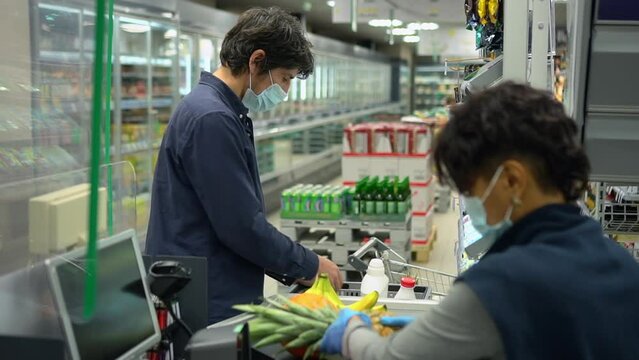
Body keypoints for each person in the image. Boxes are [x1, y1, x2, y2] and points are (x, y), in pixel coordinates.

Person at [320, 82, 639, 359]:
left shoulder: (499, 284)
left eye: (470, 188)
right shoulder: (620, 264)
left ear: (512, 180)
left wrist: (350, 331)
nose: (468, 202)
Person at [146, 7, 342, 324]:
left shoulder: (221, 110)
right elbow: (241, 226)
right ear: (256, 61)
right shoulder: (212, 119)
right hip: (205, 295)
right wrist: (310, 265)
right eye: (284, 78)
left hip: (210, 281)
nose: (285, 91)